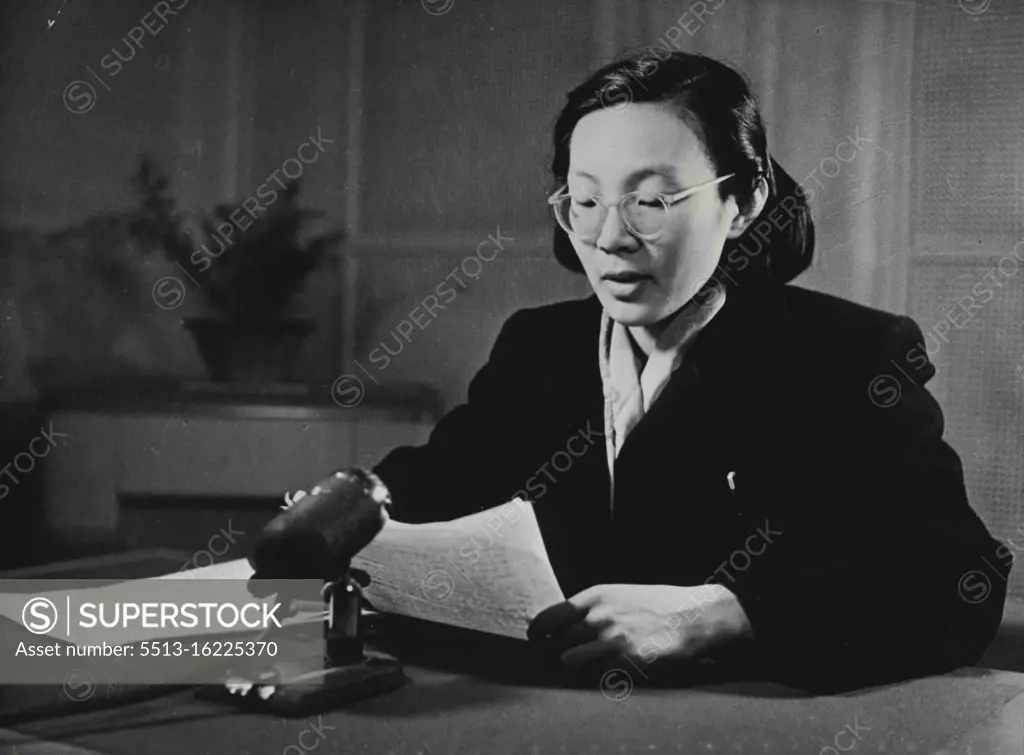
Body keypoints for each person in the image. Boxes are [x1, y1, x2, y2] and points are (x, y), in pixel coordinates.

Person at [361, 51, 1009, 692]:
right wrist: (348, 507)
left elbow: (959, 579)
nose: (610, 237)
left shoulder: (848, 355)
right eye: (584, 201)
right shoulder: (540, 347)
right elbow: (440, 482)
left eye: (650, 200)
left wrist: (724, 615)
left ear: (745, 200)